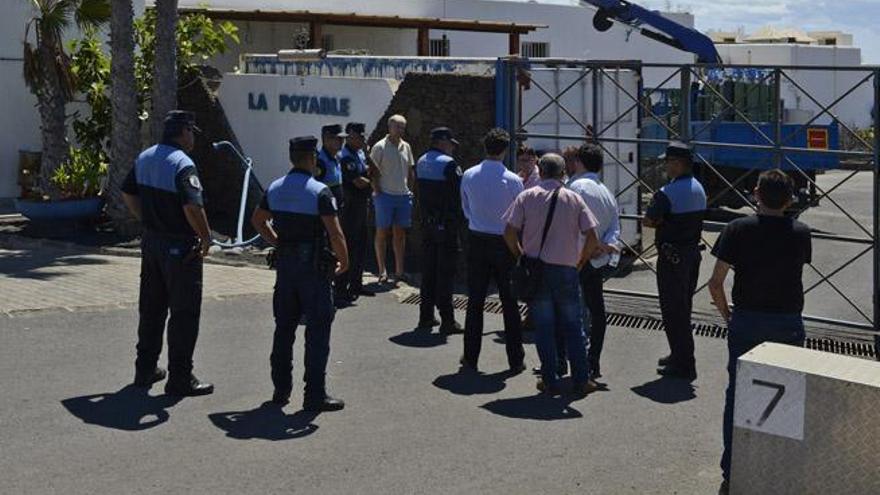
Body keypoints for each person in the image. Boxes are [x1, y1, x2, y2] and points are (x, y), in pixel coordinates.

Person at [708, 169, 811, 488]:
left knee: (738, 395)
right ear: (790, 199)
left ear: (755, 193)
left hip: (748, 320)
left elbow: (715, 283)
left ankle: (733, 472)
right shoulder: (801, 232)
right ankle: (774, 469)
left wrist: (728, 316)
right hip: (787, 322)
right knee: (784, 396)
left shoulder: (737, 229)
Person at [251, 136, 350, 411]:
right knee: (317, 331)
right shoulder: (319, 192)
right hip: (313, 270)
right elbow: (335, 233)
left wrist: (277, 241)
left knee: (284, 329)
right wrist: (344, 262)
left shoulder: (275, 188)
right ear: (312, 158)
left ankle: (280, 391)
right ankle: (314, 395)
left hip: (285, 268)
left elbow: (258, 220)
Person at [121, 110, 214, 397]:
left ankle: (145, 368)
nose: (193, 138)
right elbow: (193, 207)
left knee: (151, 309)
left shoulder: (146, 156)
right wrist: (206, 237)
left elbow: (128, 193)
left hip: (152, 243)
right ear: (184, 132)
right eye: (192, 132)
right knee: (184, 313)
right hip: (179, 247)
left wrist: (147, 220)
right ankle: (180, 378)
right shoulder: (182, 163)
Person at [503, 153, 601, 395]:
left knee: (544, 327)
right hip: (566, 269)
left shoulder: (526, 197)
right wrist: (580, 261)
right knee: (573, 326)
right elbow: (592, 237)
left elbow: (508, 232)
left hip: (536, 269)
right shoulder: (574, 199)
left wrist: (521, 255)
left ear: (542, 171)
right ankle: (582, 379)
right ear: (562, 173)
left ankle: (550, 378)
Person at [460, 128, 525, 372]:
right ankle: (515, 359)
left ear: (484, 147)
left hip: (477, 239)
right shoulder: (513, 180)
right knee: (509, 303)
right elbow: (519, 216)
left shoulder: (468, 174)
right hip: (504, 242)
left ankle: (470, 357)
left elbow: (465, 208)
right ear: (505, 150)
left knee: (475, 301)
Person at [643, 141, 707, 381]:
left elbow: (649, 220)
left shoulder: (667, 192)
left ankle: (684, 363)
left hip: (672, 258)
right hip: (692, 255)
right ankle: (678, 354)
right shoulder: (698, 188)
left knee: (673, 311)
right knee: (683, 308)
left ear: (678, 164)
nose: (665, 167)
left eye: (668, 162)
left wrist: (661, 222)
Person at [568, 144, 621, 379]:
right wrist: (603, 246)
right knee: (597, 310)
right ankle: (593, 361)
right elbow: (614, 228)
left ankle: (571, 363)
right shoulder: (607, 192)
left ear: (578, 162)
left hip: (575, 258)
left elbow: (569, 222)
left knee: (570, 311)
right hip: (598, 259)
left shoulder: (575, 186)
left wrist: (589, 246)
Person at [414, 127, 464, 334]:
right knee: (445, 273)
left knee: (429, 271)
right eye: (450, 143)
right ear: (442, 142)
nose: (452, 148)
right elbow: (458, 195)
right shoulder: (449, 165)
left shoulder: (421, 161)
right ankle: (448, 320)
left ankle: (425, 316)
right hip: (446, 225)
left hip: (427, 224)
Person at [370, 114, 415, 284]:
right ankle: (382, 270)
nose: (401, 130)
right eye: (398, 127)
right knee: (382, 233)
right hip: (385, 196)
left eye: (403, 127)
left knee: (400, 234)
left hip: (403, 196)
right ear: (390, 127)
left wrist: (410, 190)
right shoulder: (379, 147)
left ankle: (399, 270)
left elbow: (411, 170)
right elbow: (372, 170)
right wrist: (377, 190)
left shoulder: (407, 146)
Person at [337, 122, 374, 302]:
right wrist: (373, 183)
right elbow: (358, 181)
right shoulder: (345, 157)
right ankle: (341, 288)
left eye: (363, 136)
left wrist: (367, 153)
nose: (362, 140)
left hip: (361, 206)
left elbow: (374, 172)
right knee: (349, 247)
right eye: (359, 137)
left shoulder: (360, 154)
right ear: (350, 136)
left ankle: (356, 285)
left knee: (361, 247)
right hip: (350, 208)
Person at [316, 123, 347, 212]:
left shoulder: (337, 157)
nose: (342, 141)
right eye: (338, 138)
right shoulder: (320, 162)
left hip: (336, 209)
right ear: (326, 139)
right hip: (325, 213)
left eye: (342, 138)